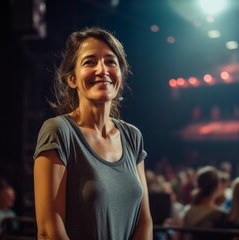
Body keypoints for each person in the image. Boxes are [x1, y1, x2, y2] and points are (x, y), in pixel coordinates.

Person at [33, 26, 153, 240]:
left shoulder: (132, 136)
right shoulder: (59, 131)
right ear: (71, 79)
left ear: (120, 76)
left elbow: (145, 222)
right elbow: (49, 230)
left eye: (110, 61)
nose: (102, 70)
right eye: (90, 62)